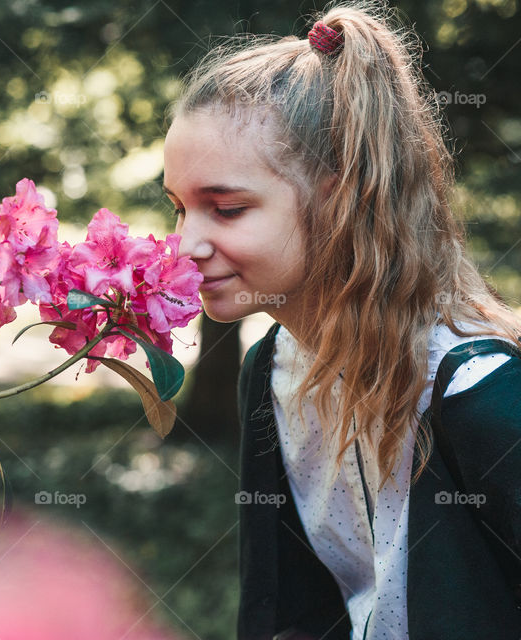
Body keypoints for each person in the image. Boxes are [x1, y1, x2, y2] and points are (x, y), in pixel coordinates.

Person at [162, 2, 521, 638]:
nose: (185, 244)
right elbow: (285, 611)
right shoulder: (270, 372)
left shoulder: (479, 395)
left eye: (227, 208)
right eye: (180, 208)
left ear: (340, 199)